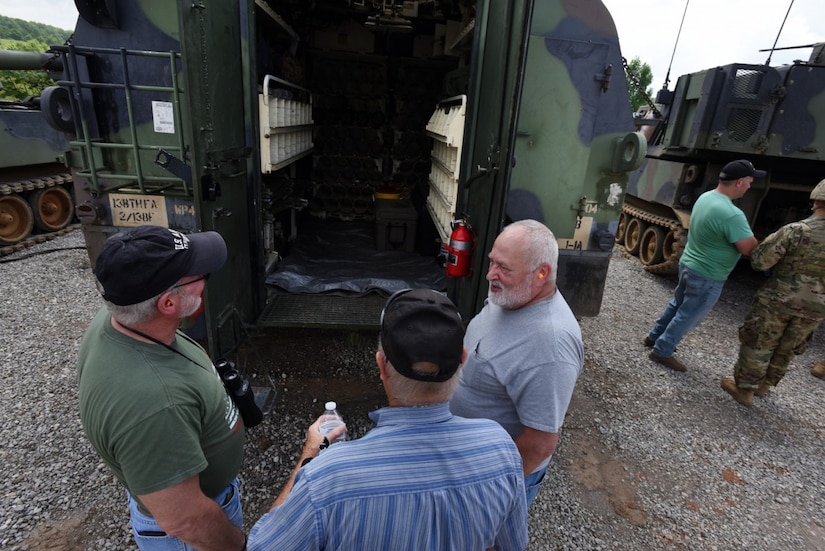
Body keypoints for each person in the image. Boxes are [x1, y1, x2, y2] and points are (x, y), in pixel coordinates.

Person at [247, 289, 528, 551]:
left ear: (381, 364)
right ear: (463, 360)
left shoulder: (326, 478)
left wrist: (309, 455)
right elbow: (509, 544)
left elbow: (261, 546)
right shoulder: (501, 449)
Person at [76, 225, 248, 551]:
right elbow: (185, 519)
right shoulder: (155, 404)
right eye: (202, 277)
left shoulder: (120, 317)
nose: (205, 283)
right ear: (169, 304)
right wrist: (238, 545)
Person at [449, 219, 583, 506]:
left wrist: (488, 488)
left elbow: (540, 443)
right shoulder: (511, 296)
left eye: (503, 268)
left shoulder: (551, 346)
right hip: (465, 459)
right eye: (492, 262)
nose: (490, 275)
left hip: (489, 477)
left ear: (541, 274)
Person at [645, 159, 762, 372]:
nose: (749, 187)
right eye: (749, 182)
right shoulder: (732, 214)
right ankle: (662, 350)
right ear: (738, 182)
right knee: (689, 314)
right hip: (709, 273)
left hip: (689, 264)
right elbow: (749, 248)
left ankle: (654, 336)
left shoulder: (707, 197)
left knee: (678, 304)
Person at [721, 179, 825, 405]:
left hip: (779, 299)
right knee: (788, 347)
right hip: (816, 308)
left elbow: (760, 261)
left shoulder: (795, 231)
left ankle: (745, 391)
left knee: (760, 342)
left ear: (816, 200)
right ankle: (764, 387)